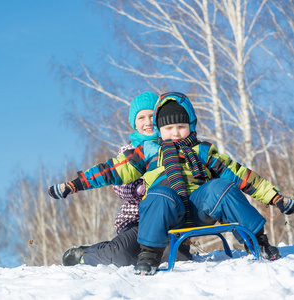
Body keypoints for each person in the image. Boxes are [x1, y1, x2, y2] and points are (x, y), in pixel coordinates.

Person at [49, 92, 294, 276]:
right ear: (158, 129)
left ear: (191, 126)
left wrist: (276, 198)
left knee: (222, 187)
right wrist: (75, 184)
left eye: (181, 127)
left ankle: (257, 241)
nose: (175, 133)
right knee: (159, 194)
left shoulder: (203, 150)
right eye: (168, 128)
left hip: (199, 209)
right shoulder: (147, 151)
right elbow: (111, 170)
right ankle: (149, 254)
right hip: (164, 214)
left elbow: (240, 174)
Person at [61, 92, 191, 267]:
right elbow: (119, 186)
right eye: (141, 118)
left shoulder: (175, 144)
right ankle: (86, 255)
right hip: (137, 219)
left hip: (171, 216)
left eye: (152, 116)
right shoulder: (128, 150)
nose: (147, 122)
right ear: (134, 123)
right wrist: (141, 188)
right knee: (120, 256)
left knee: (173, 259)